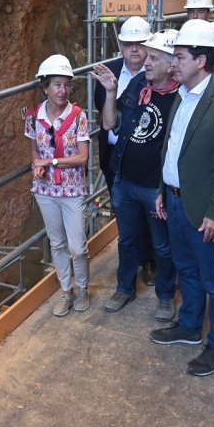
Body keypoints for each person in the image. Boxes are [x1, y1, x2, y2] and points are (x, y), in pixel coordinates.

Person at [149, 20, 214, 377]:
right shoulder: (181, 96)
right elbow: (172, 149)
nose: (172, 64)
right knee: (186, 270)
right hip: (175, 202)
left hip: (204, 209)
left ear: (201, 61)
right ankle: (190, 326)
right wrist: (163, 191)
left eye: (179, 57)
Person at [92, 30, 180, 320]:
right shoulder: (139, 84)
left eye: (153, 57)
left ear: (171, 64)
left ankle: (166, 296)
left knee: (162, 245)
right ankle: (124, 287)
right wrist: (110, 92)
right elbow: (109, 124)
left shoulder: (180, 97)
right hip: (124, 181)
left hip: (154, 187)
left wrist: (163, 190)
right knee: (127, 240)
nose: (146, 62)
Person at [26, 55, 92, 316]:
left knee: (78, 245)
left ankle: (83, 287)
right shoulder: (33, 116)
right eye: (56, 84)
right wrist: (37, 165)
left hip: (72, 189)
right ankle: (67, 291)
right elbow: (33, 148)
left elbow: (83, 157)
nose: (62, 90)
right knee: (57, 244)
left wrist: (50, 160)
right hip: (45, 191)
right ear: (45, 87)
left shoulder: (78, 117)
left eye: (66, 84)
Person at [94, 16, 157, 285]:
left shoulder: (158, 73)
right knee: (125, 213)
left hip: (145, 158)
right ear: (120, 45)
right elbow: (104, 114)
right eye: (128, 44)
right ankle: (138, 259)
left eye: (140, 44)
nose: (134, 49)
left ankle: (152, 261)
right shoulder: (109, 72)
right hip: (114, 158)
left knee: (151, 213)